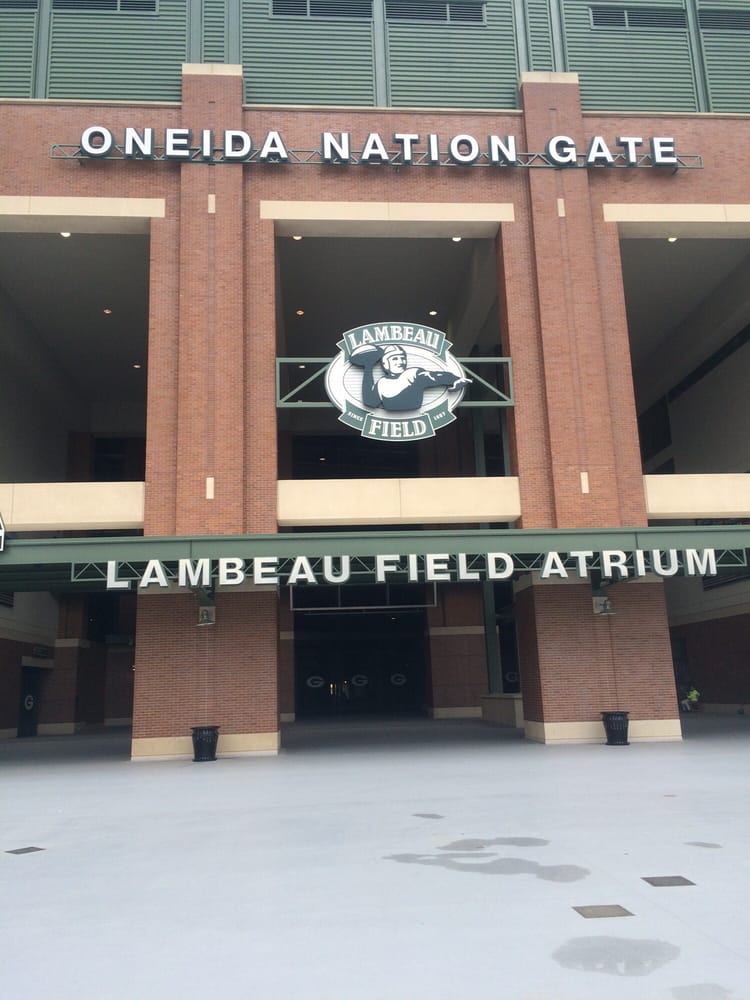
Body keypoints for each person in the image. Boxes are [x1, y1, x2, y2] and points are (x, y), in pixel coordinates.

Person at [350, 344, 470, 413]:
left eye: (402, 358)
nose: (400, 361)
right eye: (395, 359)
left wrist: (454, 379)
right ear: (385, 364)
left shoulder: (413, 373)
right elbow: (370, 401)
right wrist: (368, 366)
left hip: (414, 408)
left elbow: (435, 376)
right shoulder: (382, 383)